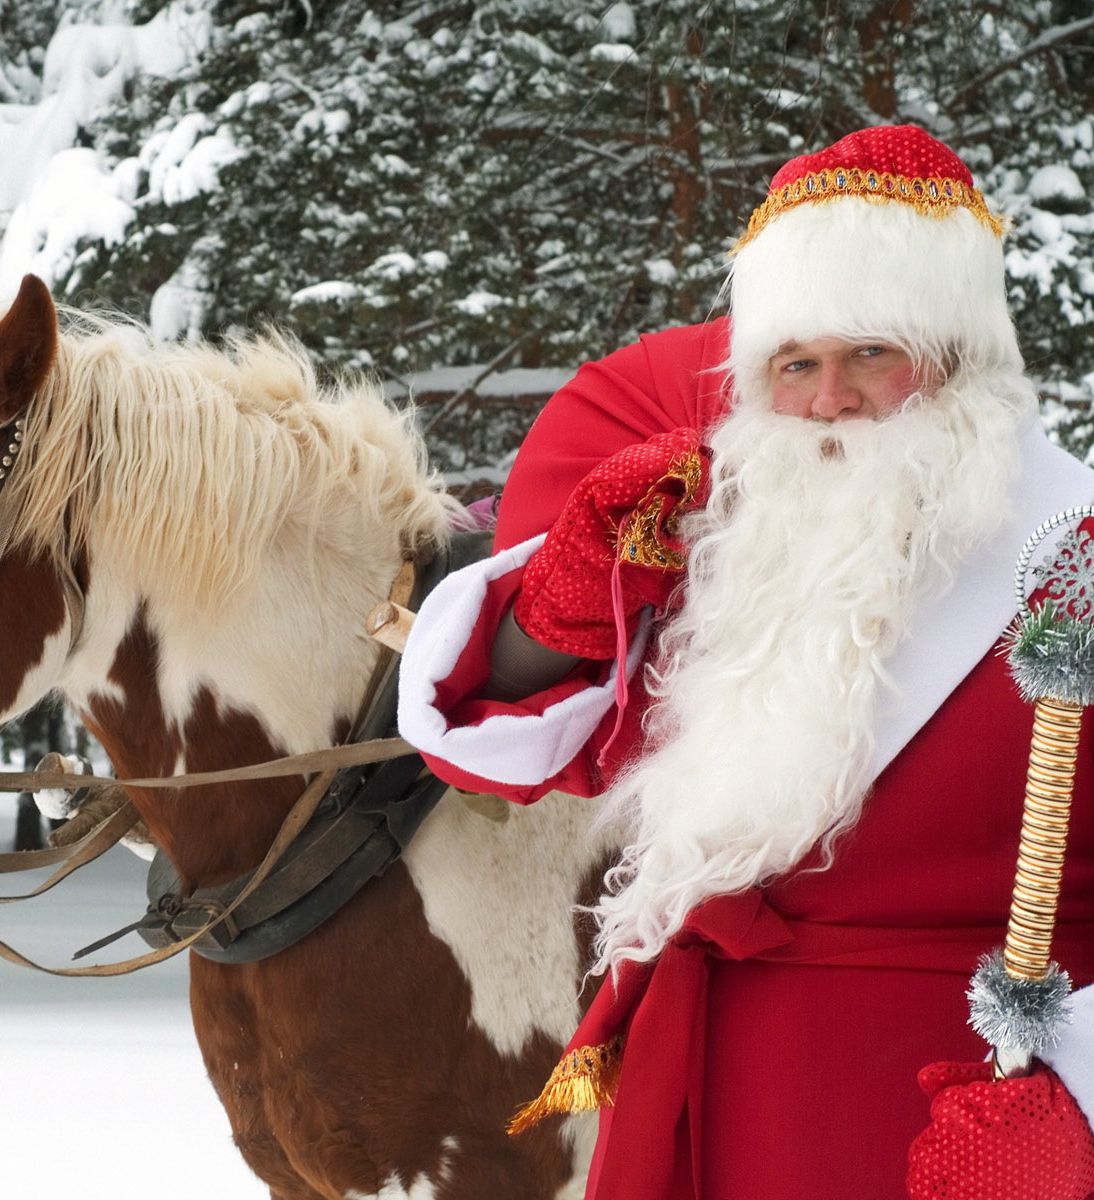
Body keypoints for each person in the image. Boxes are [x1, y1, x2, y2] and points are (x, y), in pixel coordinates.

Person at [397, 125, 1094, 1199]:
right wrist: (565, 602)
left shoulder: (1071, 553)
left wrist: (1071, 1099)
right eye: (796, 364)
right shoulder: (737, 556)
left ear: (956, 356)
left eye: (872, 354)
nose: (828, 399)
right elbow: (497, 746)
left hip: (964, 1114)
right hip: (707, 1098)